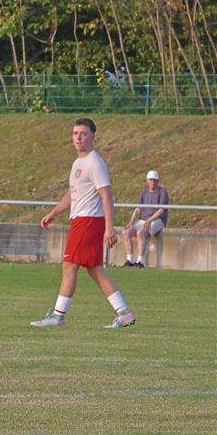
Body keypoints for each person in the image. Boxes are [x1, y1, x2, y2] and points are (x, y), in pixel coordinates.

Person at [31, 117, 136, 330]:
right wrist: (53, 213)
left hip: (88, 222)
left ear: (93, 137)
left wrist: (109, 227)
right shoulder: (78, 163)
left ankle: (58, 316)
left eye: (83, 133)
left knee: (69, 266)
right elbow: (73, 193)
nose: (78, 138)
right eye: (75, 134)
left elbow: (106, 195)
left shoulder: (95, 163)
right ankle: (124, 313)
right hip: (82, 221)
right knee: (95, 270)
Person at [121, 170, 170, 268]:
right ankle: (129, 259)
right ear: (147, 181)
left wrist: (149, 221)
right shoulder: (144, 192)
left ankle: (140, 261)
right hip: (144, 220)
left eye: (155, 180)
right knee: (126, 232)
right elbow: (138, 208)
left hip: (157, 220)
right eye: (151, 180)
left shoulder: (162, 192)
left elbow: (161, 210)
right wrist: (131, 222)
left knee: (141, 232)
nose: (153, 182)